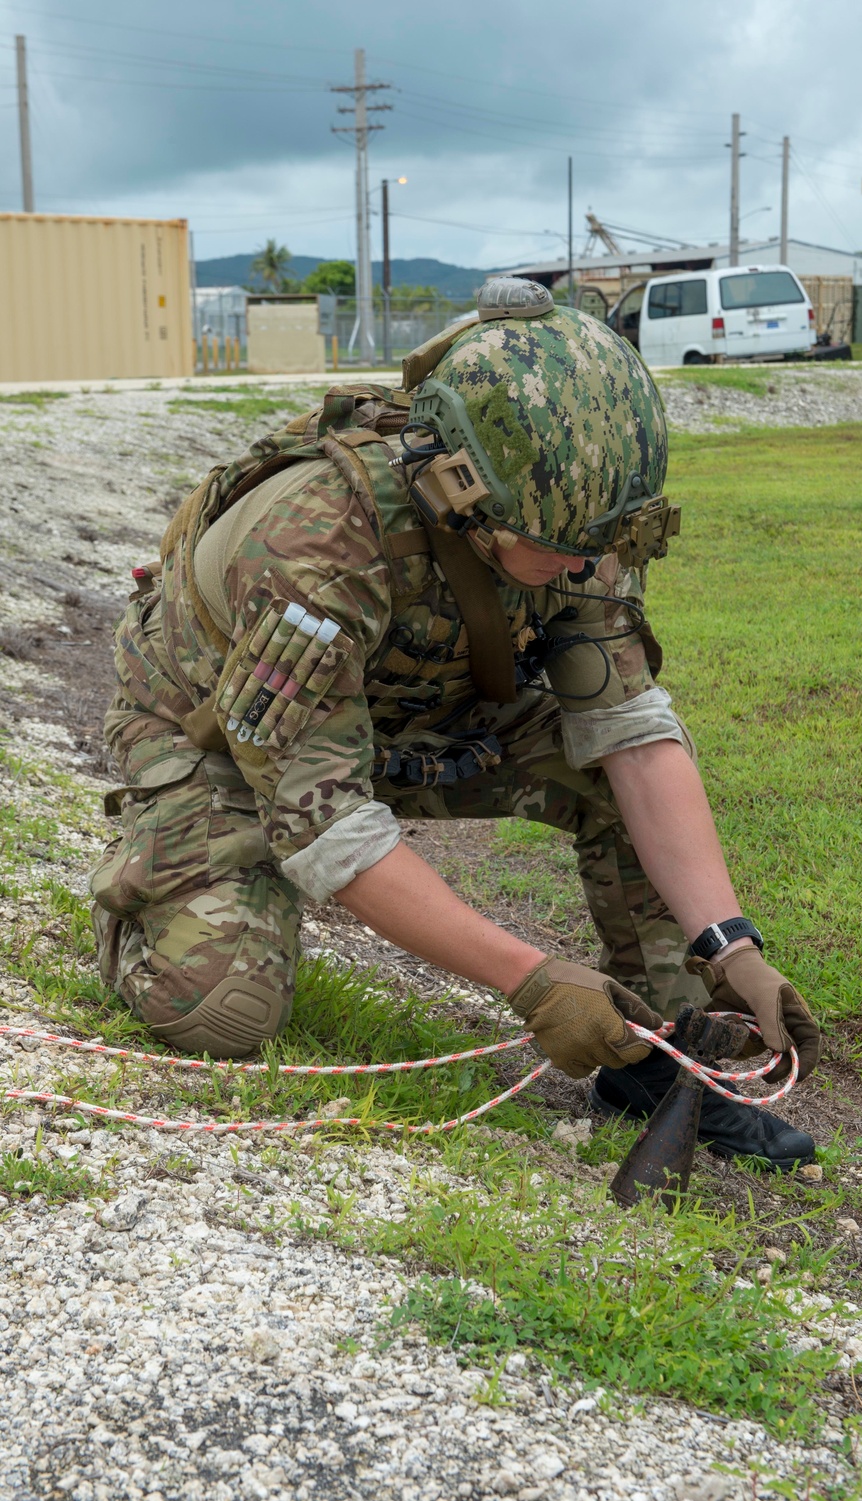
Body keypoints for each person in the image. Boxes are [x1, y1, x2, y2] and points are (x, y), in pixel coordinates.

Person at [90, 278, 820, 1171]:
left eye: (601, 539)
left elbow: (632, 735)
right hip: (220, 745)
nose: (589, 563)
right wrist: (531, 981)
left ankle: (658, 1058)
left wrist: (730, 948)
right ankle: (155, 884)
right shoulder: (317, 544)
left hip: (408, 715)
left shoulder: (570, 522)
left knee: (614, 785)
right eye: (565, 543)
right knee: (219, 1013)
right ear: (458, 491)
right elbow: (325, 821)